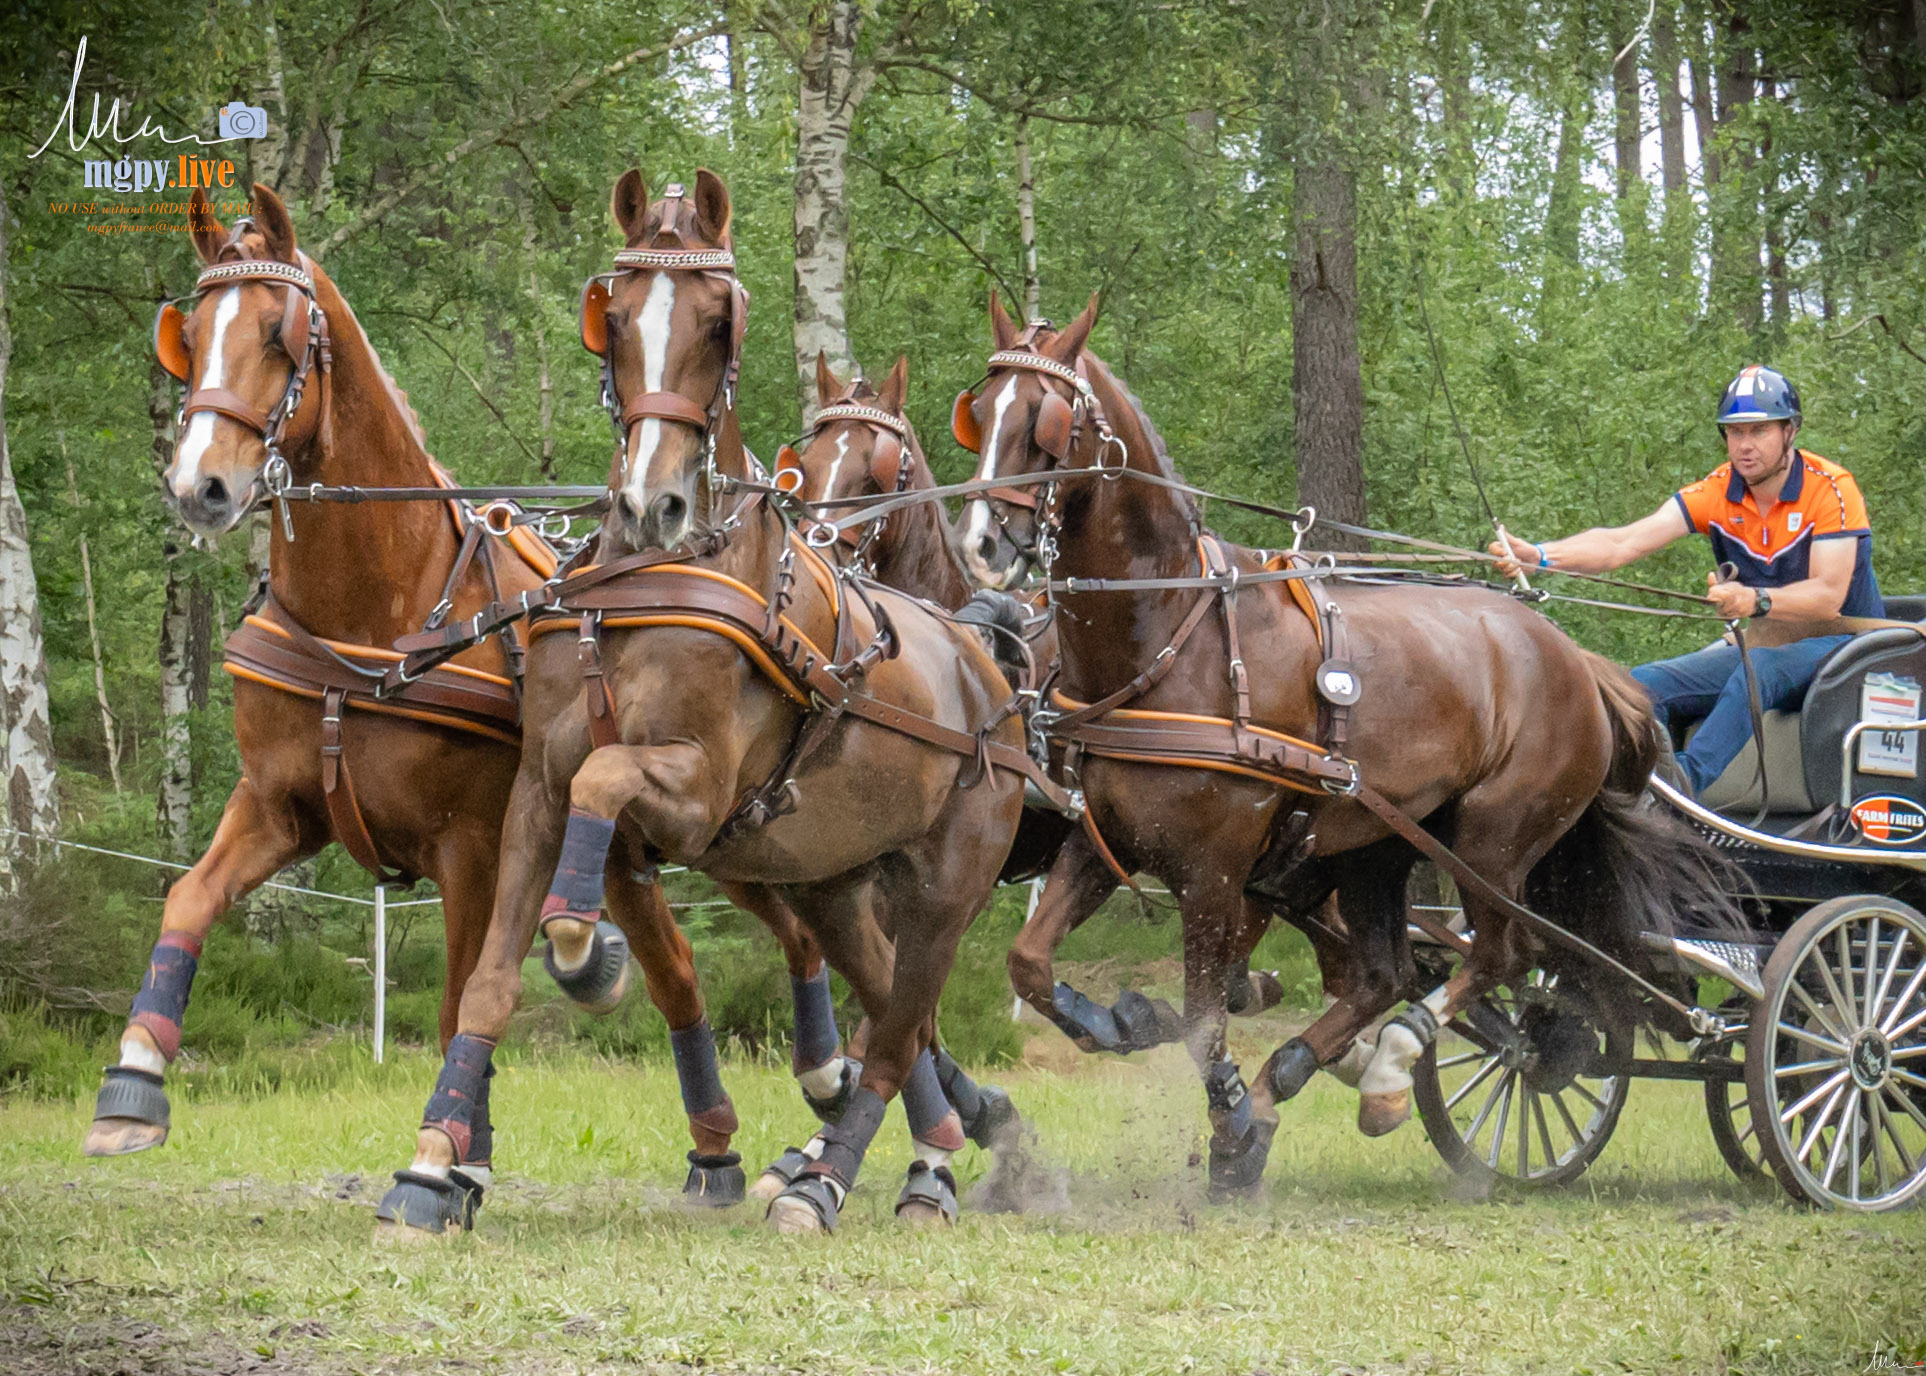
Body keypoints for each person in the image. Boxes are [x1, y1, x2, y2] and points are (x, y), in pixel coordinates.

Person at [1490, 365, 1883, 796]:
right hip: (1769, 648)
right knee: (1640, 686)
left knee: (1759, 669)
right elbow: (1623, 543)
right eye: (1735, 432)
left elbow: (1828, 596)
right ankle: (1631, 788)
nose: (1744, 445)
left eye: (1759, 431)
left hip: (1845, 652)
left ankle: (1681, 790)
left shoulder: (1831, 488)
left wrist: (1754, 600)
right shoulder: (1718, 491)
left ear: (1789, 431)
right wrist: (1542, 557)